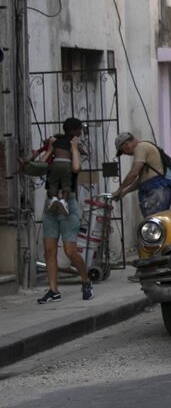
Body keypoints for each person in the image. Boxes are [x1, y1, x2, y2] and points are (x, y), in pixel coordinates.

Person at [37, 117, 93, 304]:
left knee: (70, 251)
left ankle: (86, 281)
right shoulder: (55, 149)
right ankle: (53, 290)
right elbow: (40, 166)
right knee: (49, 251)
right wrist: (50, 149)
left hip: (68, 205)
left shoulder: (74, 148)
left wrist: (75, 148)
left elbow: (76, 168)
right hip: (50, 205)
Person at [111, 132, 171, 217]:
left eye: (122, 150)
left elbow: (134, 172)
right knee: (154, 222)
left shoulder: (140, 147)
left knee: (153, 221)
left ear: (126, 144)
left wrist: (119, 190)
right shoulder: (144, 148)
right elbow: (141, 180)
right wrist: (124, 192)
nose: (124, 153)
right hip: (156, 190)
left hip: (156, 191)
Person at [39, 117, 85, 217]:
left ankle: (55, 199)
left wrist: (50, 148)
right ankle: (63, 201)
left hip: (51, 195)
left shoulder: (57, 140)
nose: (81, 132)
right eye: (79, 129)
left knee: (54, 184)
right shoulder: (73, 144)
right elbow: (76, 168)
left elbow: (41, 161)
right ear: (73, 131)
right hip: (68, 197)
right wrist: (77, 149)